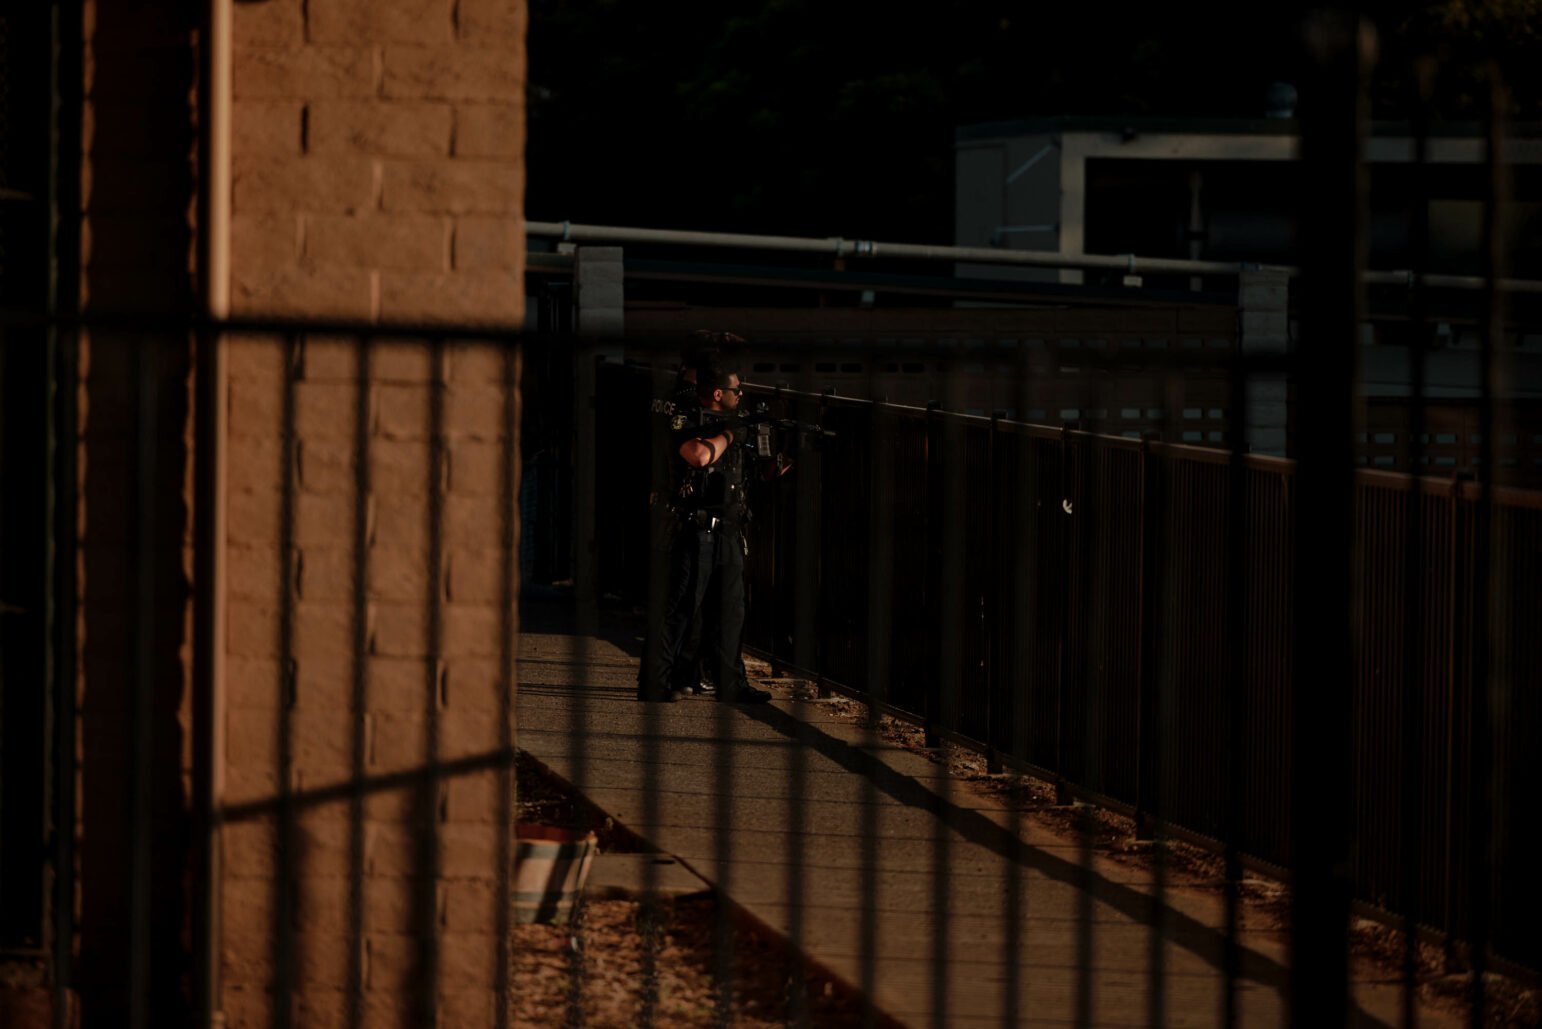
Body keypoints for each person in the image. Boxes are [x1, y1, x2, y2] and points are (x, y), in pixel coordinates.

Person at [638, 356, 772, 703]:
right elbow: (697, 456)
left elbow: (752, 473)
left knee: (731, 612)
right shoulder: (683, 416)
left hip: (728, 529)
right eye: (735, 390)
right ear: (716, 393)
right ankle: (656, 682)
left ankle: (732, 684)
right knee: (679, 609)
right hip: (693, 529)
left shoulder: (732, 423)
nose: (740, 394)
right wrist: (730, 433)